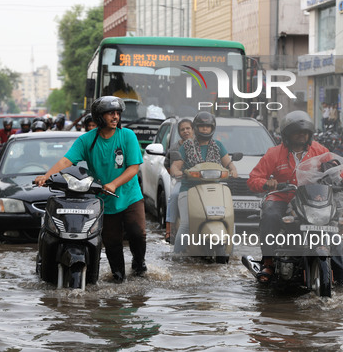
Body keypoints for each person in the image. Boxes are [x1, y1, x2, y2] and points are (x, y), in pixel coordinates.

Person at [34, 96, 146, 283]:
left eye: (118, 113)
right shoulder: (86, 140)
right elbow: (66, 161)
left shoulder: (127, 136)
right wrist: (46, 176)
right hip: (104, 198)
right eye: (111, 113)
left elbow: (134, 168)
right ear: (99, 117)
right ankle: (119, 276)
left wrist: (114, 184)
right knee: (111, 242)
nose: (115, 117)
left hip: (130, 195)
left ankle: (139, 264)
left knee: (137, 233)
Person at [247, 110, 343, 285]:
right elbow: (254, 179)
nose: (301, 135)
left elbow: (335, 169)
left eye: (305, 132)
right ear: (287, 135)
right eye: (297, 132)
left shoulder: (319, 150)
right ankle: (269, 262)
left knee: (333, 231)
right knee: (270, 215)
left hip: (311, 199)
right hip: (282, 197)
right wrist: (267, 184)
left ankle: (342, 274)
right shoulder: (274, 153)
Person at [170, 112, 238, 253]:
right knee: (186, 224)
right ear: (196, 128)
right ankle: (176, 258)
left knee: (228, 219)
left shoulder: (218, 145)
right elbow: (175, 166)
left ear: (212, 128)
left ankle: (230, 253)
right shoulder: (187, 145)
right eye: (202, 127)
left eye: (208, 126)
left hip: (214, 189)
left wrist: (233, 170)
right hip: (189, 189)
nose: (205, 129)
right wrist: (177, 171)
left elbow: (229, 163)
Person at [163, 118, 194, 243]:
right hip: (183, 181)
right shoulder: (175, 147)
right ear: (179, 132)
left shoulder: (200, 144)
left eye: (188, 128)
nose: (185, 131)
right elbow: (167, 164)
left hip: (202, 181)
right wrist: (176, 175)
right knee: (174, 195)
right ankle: (169, 230)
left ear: (193, 130)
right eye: (182, 129)